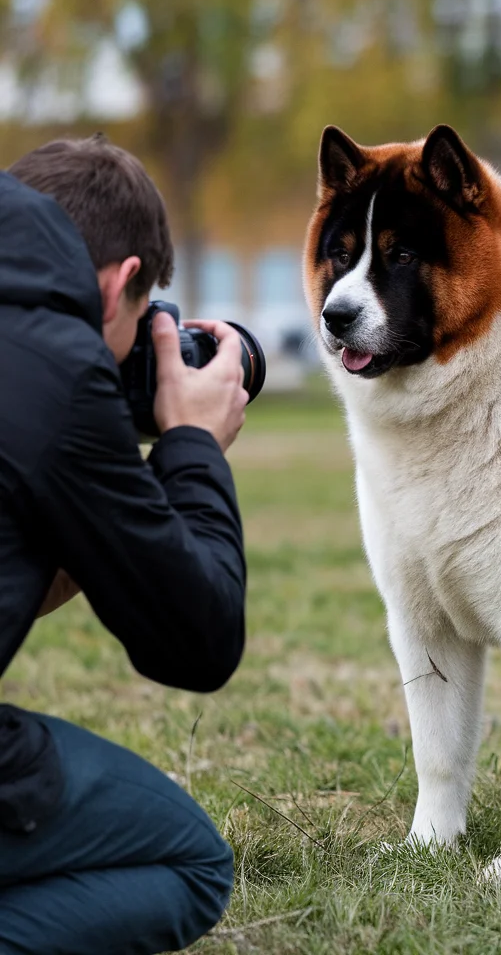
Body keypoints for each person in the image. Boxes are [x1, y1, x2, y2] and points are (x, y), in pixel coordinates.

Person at [0, 136, 249, 954]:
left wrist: (97, 496)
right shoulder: (57, 370)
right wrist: (192, 448)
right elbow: (197, 641)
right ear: (115, 286)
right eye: (145, 319)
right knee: (189, 863)